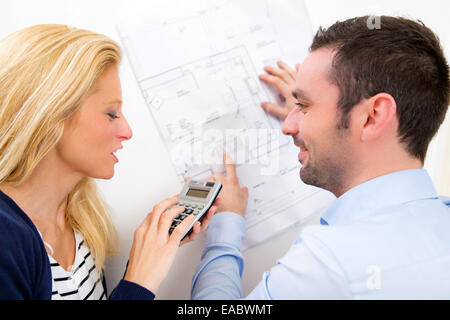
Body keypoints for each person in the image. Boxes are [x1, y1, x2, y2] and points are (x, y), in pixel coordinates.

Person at [191, 16, 450, 299]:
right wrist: (316, 115)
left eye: (303, 105)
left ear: (373, 116)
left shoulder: (328, 263)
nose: (288, 126)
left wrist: (225, 226)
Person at [0, 24, 218, 300]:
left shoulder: (80, 219)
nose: (127, 131)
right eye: (112, 113)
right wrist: (138, 282)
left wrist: (147, 258)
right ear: (51, 115)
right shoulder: (5, 240)